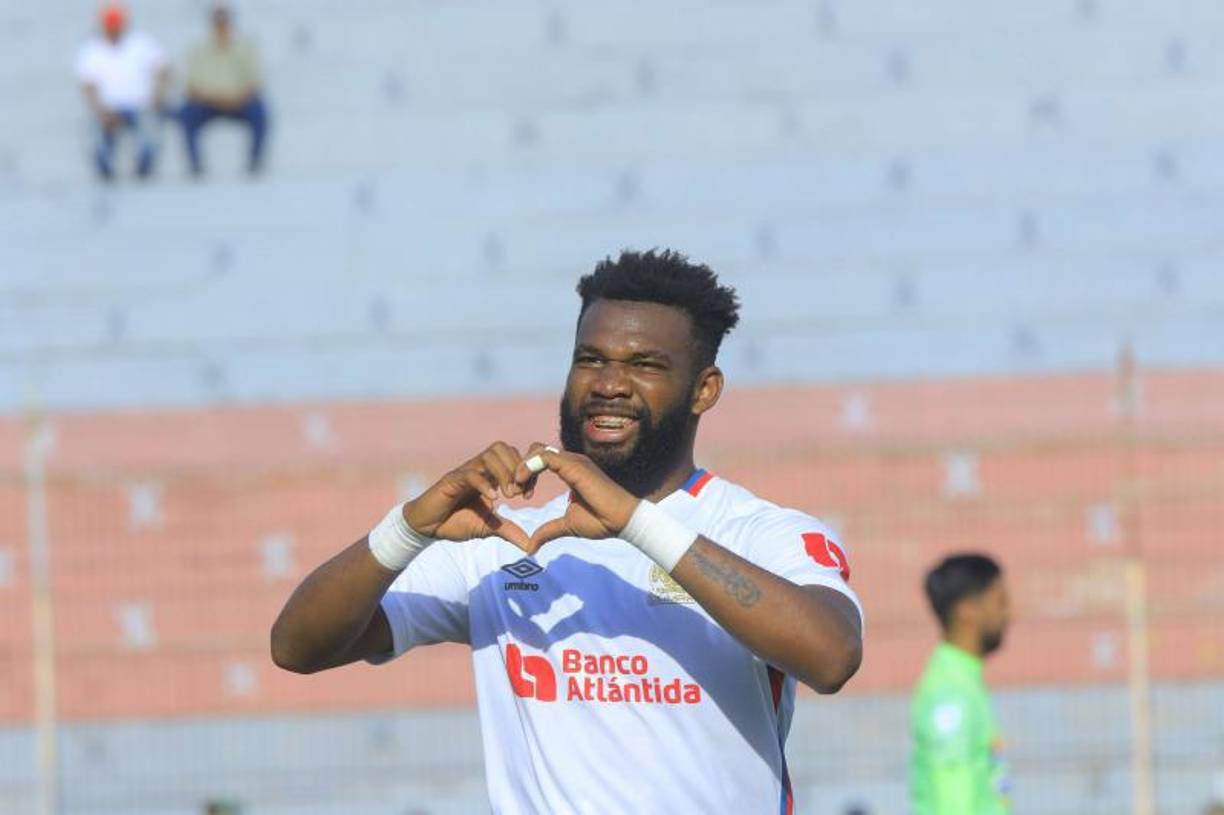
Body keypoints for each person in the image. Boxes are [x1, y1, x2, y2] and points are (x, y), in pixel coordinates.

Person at [271, 249, 864, 812]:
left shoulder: (756, 531)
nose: (609, 383)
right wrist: (408, 528)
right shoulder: (502, 539)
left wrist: (636, 524)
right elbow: (297, 648)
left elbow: (831, 656)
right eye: (590, 359)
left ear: (704, 390)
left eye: (644, 365)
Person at [910, 554, 1012, 814]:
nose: (1009, 614)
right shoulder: (951, 693)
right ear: (967, 610)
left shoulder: (964, 679)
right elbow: (953, 801)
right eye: (1000, 602)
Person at [75, 3, 171, 181]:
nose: (113, 28)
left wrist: (157, 97)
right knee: (92, 134)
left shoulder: (141, 42)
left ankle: (143, 174)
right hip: (106, 109)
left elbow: (163, 70)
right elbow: (88, 86)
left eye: (116, 23)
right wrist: (100, 111)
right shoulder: (91, 49)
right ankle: (106, 176)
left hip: (140, 106)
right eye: (109, 23)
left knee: (151, 132)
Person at [179, 3, 269, 177]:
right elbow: (191, 88)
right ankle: (196, 167)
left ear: (230, 24)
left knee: (260, 111)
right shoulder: (199, 49)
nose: (221, 27)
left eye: (224, 22)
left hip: (239, 102)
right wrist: (217, 99)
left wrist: (236, 98)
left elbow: (255, 83)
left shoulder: (245, 47)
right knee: (186, 114)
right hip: (208, 104)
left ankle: (254, 163)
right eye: (218, 23)